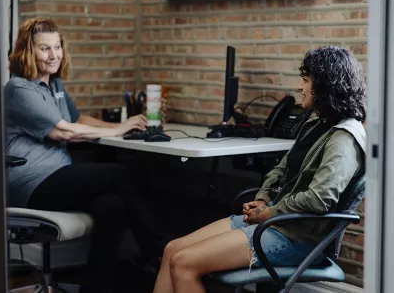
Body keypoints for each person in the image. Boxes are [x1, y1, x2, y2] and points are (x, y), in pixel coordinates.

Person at [152, 45, 367, 293]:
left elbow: (318, 200)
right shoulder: (316, 122)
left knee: (184, 263)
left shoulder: (343, 139)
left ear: (327, 86)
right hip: (275, 222)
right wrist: (263, 198)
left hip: (297, 238)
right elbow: (281, 168)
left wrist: (268, 213)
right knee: (172, 251)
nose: (300, 87)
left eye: (306, 80)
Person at [5, 17, 169, 293]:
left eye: (57, 47)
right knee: (120, 174)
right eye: (45, 48)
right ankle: (158, 250)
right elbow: (64, 132)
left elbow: (78, 117)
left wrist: (126, 128)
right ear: (27, 51)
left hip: (57, 176)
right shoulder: (19, 88)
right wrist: (120, 129)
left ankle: (96, 287)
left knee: (112, 206)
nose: (54, 55)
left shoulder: (54, 86)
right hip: (31, 183)